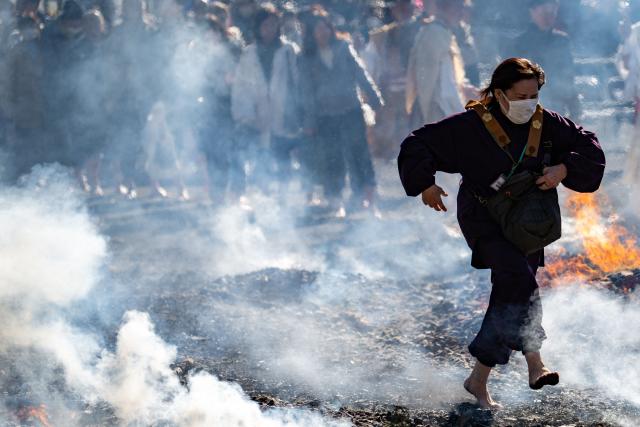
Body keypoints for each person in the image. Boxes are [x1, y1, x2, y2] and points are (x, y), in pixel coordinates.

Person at [398, 58, 605, 409]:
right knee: (517, 277)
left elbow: (590, 148)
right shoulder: (471, 125)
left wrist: (563, 168)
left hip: (529, 218)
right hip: (483, 216)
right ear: (500, 93)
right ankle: (535, 362)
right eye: (521, 95)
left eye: (534, 95)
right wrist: (425, 184)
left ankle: (478, 379)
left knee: (513, 287)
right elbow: (418, 143)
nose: (529, 102)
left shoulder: (547, 122)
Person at [299, 7, 383, 217]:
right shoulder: (306, 58)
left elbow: (360, 73)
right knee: (332, 158)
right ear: (310, 32)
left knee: (360, 155)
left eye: (325, 27)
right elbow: (306, 91)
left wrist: (375, 98)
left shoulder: (343, 47)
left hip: (350, 110)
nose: (323, 32)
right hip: (325, 115)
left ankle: (368, 200)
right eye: (317, 29)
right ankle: (336, 200)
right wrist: (309, 120)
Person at [231, 3, 301, 201]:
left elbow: (298, 83)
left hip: (284, 114)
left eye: (273, 25)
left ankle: (283, 198)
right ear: (258, 27)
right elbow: (241, 88)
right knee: (262, 158)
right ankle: (265, 199)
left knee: (283, 158)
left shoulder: (289, 50)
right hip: (258, 115)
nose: (269, 29)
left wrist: (297, 112)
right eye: (265, 25)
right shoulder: (249, 53)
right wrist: (246, 116)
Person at [364, 0, 421, 160]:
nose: (403, 10)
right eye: (399, 7)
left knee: (414, 132)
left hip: (416, 94)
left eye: (406, 6)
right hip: (389, 94)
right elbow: (371, 65)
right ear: (394, 10)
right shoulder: (381, 36)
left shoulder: (422, 31)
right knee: (389, 136)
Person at [406, 0, 475, 126]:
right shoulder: (434, 34)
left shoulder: (441, 32)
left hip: (441, 109)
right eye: (457, 7)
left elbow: (449, 76)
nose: (461, 12)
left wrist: (464, 87)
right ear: (444, 7)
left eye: (463, 7)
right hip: (437, 110)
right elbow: (431, 83)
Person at [509, 0, 581, 119]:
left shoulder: (562, 41)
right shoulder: (519, 44)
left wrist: (575, 107)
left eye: (552, 11)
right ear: (532, 11)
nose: (549, 15)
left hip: (556, 109)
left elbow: (569, 77)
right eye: (545, 11)